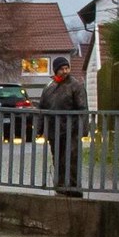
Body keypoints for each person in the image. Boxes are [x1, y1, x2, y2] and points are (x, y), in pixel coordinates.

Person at [38, 56, 87, 197]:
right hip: (54, 129)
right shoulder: (49, 87)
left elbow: (83, 108)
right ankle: (60, 186)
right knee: (57, 158)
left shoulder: (75, 85)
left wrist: (83, 129)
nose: (65, 71)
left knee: (72, 158)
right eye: (62, 69)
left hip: (72, 129)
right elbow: (42, 108)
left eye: (67, 68)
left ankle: (74, 187)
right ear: (56, 70)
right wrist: (39, 129)